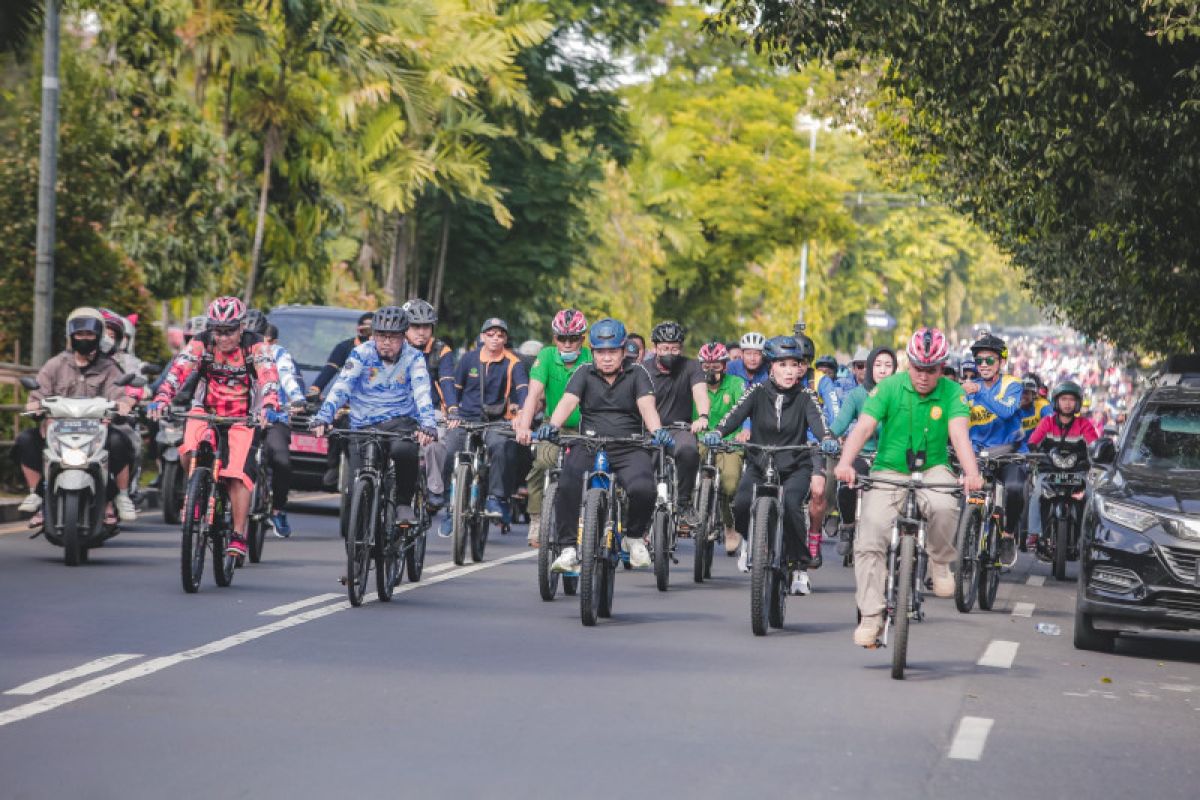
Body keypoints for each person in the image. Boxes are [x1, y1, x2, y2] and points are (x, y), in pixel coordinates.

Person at [835, 327, 983, 647]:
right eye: (918, 368)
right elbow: (863, 428)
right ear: (908, 364)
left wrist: (972, 474)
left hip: (934, 468)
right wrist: (846, 463)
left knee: (945, 505)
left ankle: (941, 563)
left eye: (931, 370)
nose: (924, 376)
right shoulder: (889, 387)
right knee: (870, 533)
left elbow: (959, 436)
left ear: (941, 368)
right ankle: (872, 617)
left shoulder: (953, 393)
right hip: (889, 469)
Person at [147, 297, 283, 560]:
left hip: (244, 416)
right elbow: (179, 369)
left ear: (241, 327)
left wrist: (269, 404)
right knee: (187, 451)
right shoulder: (201, 341)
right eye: (217, 331)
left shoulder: (255, 344)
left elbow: (268, 375)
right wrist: (163, 397)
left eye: (229, 331)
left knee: (236, 476)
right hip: (206, 410)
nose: (223, 338)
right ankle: (197, 493)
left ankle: (238, 534)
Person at [703, 335, 834, 595]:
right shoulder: (757, 391)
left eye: (794, 365)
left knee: (792, 506)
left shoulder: (806, 396)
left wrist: (827, 439)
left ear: (801, 368)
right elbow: (734, 415)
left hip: (795, 465)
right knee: (740, 503)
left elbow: (819, 424)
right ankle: (753, 542)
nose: (789, 371)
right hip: (759, 463)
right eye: (782, 364)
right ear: (771, 366)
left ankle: (798, 567)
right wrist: (718, 433)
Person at [540, 318, 672, 573]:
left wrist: (657, 432)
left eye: (613, 351)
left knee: (644, 487)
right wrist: (553, 426)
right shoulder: (583, 372)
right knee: (567, 482)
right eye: (601, 352)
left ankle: (633, 538)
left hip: (628, 446)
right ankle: (568, 548)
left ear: (624, 352)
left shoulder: (638, 373)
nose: (607, 358)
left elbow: (647, 407)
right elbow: (568, 401)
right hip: (589, 444)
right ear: (593, 352)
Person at [309, 306, 437, 521]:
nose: (386, 341)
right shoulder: (361, 353)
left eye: (393, 337)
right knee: (357, 477)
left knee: (404, 452)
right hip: (363, 424)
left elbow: (422, 391)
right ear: (373, 335)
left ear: (403, 335)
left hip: (400, 422)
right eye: (381, 336)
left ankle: (404, 504)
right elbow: (342, 386)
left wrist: (428, 423)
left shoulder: (414, 357)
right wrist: (324, 416)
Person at [17, 308, 139, 527]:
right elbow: (37, 394)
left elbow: (120, 394)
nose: (84, 339)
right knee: (25, 440)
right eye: (79, 334)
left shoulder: (109, 367)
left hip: (96, 433)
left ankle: (120, 496)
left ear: (98, 335)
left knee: (121, 441)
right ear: (71, 335)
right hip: (58, 433)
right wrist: (34, 405)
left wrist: (123, 405)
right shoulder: (55, 364)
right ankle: (37, 494)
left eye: (90, 334)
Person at [514, 309, 592, 547]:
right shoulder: (546, 356)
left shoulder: (592, 357)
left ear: (583, 338)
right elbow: (533, 394)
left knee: (586, 472)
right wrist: (525, 426)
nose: (567, 344)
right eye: (562, 338)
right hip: (553, 427)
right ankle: (537, 518)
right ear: (554, 338)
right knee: (541, 463)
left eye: (574, 339)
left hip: (585, 427)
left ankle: (589, 519)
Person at [453, 317, 529, 524]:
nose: (495, 338)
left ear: (505, 339)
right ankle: (448, 504)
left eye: (500, 335)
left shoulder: (513, 362)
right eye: (490, 334)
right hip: (466, 418)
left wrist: (522, 412)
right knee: (448, 447)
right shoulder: (468, 359)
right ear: (482, 337)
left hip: (496, 420)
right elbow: (454, 389)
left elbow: (523, 389)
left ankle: (495, 498)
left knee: (501, 446)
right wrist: (450, 412)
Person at [963, 332, 1026, 564]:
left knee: (1016, 488)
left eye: (989, 360)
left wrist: (980, 392)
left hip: (1008, 454)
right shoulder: (967, 389)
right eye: (979, 360)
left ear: (1001, 362)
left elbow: (1006, 412)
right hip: (976, 456)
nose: (983, 365)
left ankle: (1008, 535)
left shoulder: (1013, 385)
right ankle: (960, 549)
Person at [828, 346, 897, 555]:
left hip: (891, 458)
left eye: (888, 366)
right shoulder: (857, 395)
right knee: (848, 483)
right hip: (863, 454)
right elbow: (839, 424)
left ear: (895, 369)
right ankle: (848, 527)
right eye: (878, 365)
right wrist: (827, 438)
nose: (883, 370)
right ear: (869, 368)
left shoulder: (901, 394)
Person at [643, 321, 710, 528]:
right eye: (664, 348)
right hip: (648, 431)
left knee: (690, 451)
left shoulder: (691, 366)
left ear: (681, 348)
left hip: (679, 429)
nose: (669, 352)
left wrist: (703, 416)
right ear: (654, 348)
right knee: (637, 464)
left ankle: (684, 503)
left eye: (674, 348)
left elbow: (700, 392)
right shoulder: (642, 370)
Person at [249, 311, 307, 537]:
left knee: (282, 461)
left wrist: (296, 398)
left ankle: (278, 509)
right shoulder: (235, 353)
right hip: (244, 418)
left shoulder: (278, 354)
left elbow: (287, 377)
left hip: (276, 417)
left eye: (260, 336)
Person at [1024, 380, 1097, 551]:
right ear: (1056, 402)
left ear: (1077, 403)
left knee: (1091, 497)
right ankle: (1034, 534)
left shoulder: (1084, 424)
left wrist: (1099, 454)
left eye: (1071, 400)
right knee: (1036, 495)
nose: (1067, 403)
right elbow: (1034, 440)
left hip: (1077, 474)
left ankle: (1091, 538)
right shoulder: (1047, 422)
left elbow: (1094, 445)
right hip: (1048, 473)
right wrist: (1033, 451)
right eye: (1064, 399)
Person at [401, 298, 458, 513]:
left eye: (426, 326)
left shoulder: (441, 350)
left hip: (432, 410)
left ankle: (435, 489)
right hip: (400, 410)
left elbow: (447, 381)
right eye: (415, 326)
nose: (421, 332)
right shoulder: (394, 347)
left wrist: (452, 409)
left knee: (435, 443)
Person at [308, 311, 373, 488]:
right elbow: (330, 372)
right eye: (365, 331)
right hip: (349, 403)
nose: (369, 336)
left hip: (375, 406)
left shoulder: (385, 353)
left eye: (373, 331)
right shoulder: (345, 348)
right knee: (336, 423)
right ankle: (334, 466)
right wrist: (316, 389)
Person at [693, 342, 746, 554]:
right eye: (706, 365)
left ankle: (729, 526)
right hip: (700, 440)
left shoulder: (736, 384)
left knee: (730, 483)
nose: (711, 370)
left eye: (716, 365)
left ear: (725, 366)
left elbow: (743, 410)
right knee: (684, 465)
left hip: (729, 442)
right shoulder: (695, 384)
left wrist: (744, 432)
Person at [793, 327, 839, 566]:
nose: (798, 367)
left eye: (804, 362)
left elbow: (834, 410)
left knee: (819, 491)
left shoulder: (821, 381)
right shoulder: (777, 377)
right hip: (784, 443)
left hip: (814, 445)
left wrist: (834, 435)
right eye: (794, 361)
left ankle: (814, 536)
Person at [1017, 376, 1051, 450]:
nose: (1022, 396)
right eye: (1019, 392)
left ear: (1033, 395)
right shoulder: (1011, 409)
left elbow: (1052, 423)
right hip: (1017, 452)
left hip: (1038, 451)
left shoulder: (1042, 406)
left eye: (1026, 393)